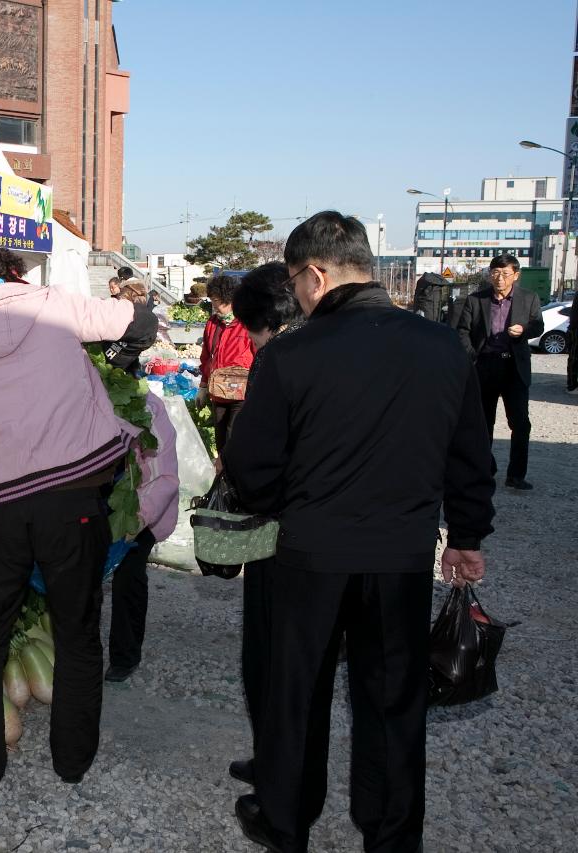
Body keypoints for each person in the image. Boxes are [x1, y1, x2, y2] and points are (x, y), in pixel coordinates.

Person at [223, 211, 495, 853]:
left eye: (296, 282)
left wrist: (285, 497)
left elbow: (250, 469)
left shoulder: (290, 355)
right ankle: (391, 833)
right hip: (400, 556)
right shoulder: (442, 347)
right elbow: (470, 457)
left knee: (297, 696)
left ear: (316, 274)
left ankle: (286, 825)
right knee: (393, 703)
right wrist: (466, 536)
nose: (297, 295)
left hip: (309, 554)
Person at [0, 246, 157, 809]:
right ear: (16, 275)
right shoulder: (55, 306)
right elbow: (140, 321)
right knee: (77, 632)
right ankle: (72, 763)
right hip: (70, 496)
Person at [220, 261, 302, 786]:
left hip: (286, 533)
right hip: (380, 540)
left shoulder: (279, 358)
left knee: (274, 659)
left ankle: (279, 774)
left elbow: (249, 459)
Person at [99, 278, 176, 682]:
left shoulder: (149, 407)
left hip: (136, 511)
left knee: (129, 577)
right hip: (92, 506)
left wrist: (135, 520)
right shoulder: (80, 400)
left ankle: (124, 658)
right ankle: (81, 655)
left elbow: (164, 472)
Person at [455, 254, 544, 490]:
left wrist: (524, 329)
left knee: (520, 423)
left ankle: (516, 475)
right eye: (495, 272)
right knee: (483, 424)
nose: (499, 278)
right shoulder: (476, 300)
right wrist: (473, 356)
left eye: (505, 274)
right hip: (485, 366)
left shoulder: (529, 298)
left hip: (514, 368)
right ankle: (485, 469)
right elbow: (462, 331)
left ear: (516, 275)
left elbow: (538, 325)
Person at [199, 273, 255, 452]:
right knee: (221, 436)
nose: (213, 305)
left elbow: (260, 356)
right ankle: (222, 473)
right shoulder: (213, 323)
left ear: (229, 299)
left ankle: (233, 474)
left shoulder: (247, 323)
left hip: (242, 392)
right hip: (218, 391)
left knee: (235, 436)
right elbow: (206, 356)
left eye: (216, 300)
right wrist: (203, 385)